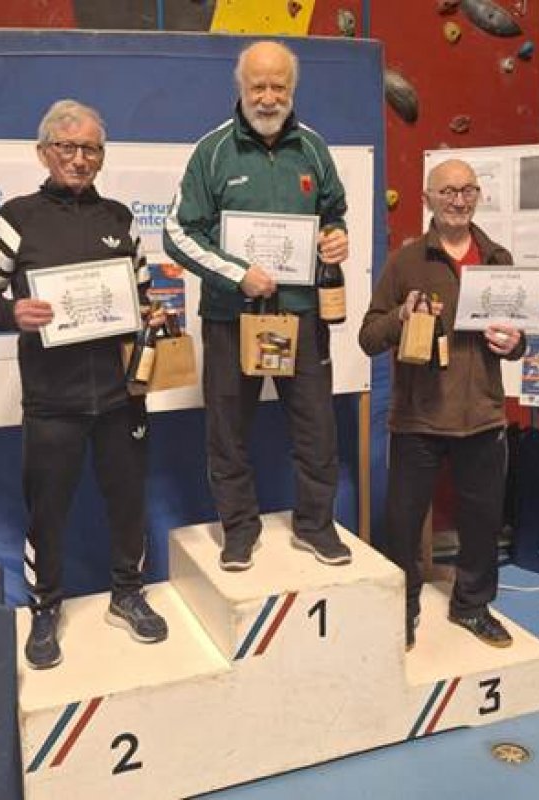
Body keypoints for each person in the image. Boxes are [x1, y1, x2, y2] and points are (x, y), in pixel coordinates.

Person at [0, 99, 168, 670]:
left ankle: (128, 593)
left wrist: (151, 313)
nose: (80, 159)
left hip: (121, 395)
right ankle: (44, 607)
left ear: (102, 156)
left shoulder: (120, 219)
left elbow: (143, 295)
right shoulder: (17, 218)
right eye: (68, 148)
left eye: (91, 149)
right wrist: (12, 313)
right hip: (52, 400)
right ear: (44, 153)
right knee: (47, 511)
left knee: (128, 501)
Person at [163, 40, 352, 572]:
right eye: (258, 86)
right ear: (240, 89)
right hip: (232, 317)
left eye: (278, 86)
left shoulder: (313, 148)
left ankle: (315, 527)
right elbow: (177, 232)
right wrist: (237, 275)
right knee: (227, 431)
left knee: (317, 428)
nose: (268, 97)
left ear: (292, 90)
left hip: (301, 315)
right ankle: (239, 531)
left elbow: (334, 213)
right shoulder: (213, 151)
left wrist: (336, 237)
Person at [358, 159, 525, 650]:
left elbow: (517, 341)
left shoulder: (498, 259)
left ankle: (472, 607)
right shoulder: (406, 262)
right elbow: (368, 337)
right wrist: (400, 317)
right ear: (427, 198)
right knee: (403, 525)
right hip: (419, 419)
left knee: (483, 522)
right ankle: (403, 607)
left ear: (478, 196)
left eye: (468, 190)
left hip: (483, 416)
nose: (458, 200)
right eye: (448, 191)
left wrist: (515, 343)